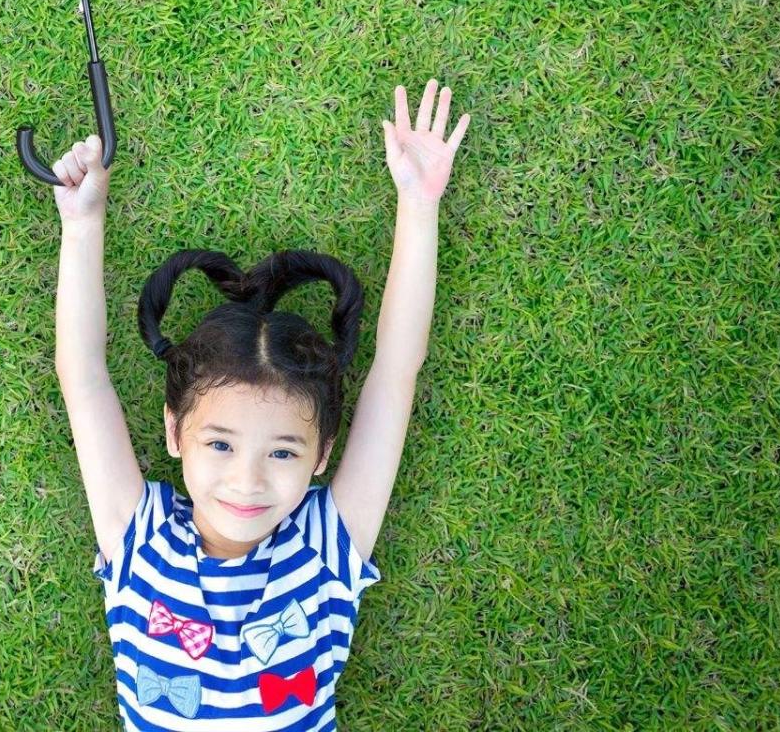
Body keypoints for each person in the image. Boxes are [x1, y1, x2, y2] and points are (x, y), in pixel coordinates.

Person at [51, 79, 471, 729]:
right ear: (174, 432)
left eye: (282, 451)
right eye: (220, 443)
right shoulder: (140, 538)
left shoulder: (327, 547)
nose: (247, 480)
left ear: (323, 455)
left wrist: (420, 209)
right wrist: (82, 224)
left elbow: (395, 373)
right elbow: (82, 377)